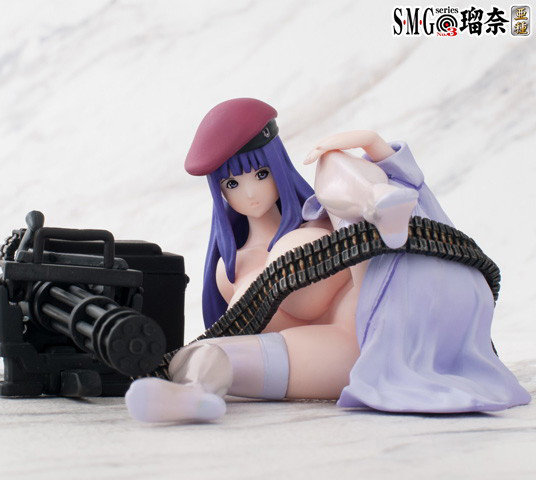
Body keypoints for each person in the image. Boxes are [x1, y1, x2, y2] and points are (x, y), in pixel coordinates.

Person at [125, 99, 530, 423]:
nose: (249, 193)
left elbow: (410, 184)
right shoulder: (230, 271)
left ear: (278, 168)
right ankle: (195, 396)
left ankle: (378, 202)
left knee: (330, 162)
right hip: (323, 358)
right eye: (232, 183)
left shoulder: (320, 217)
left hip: (374, 332)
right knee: (205, 353)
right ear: (220, 192)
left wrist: (372, 143)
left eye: (260, 174)